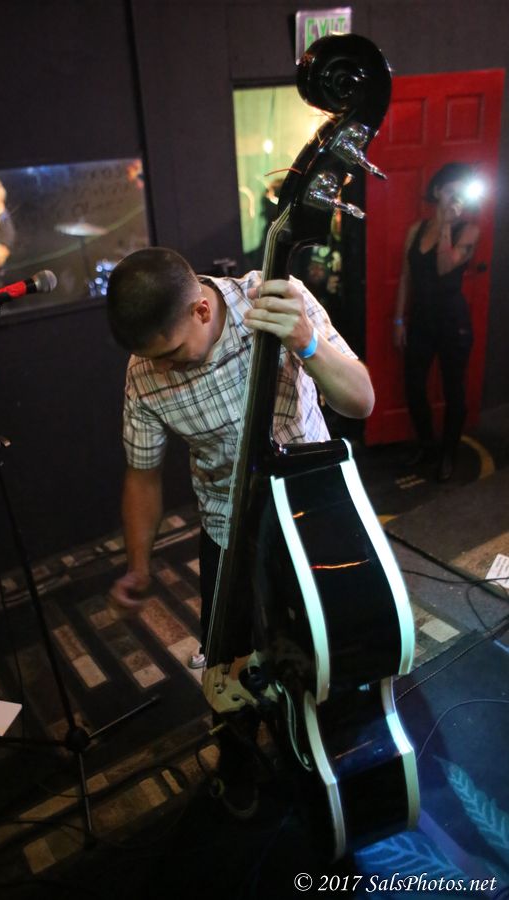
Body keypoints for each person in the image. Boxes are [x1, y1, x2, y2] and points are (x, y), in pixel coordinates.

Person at [106, 246, 374, 817]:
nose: (163, 368)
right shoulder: (143, 371)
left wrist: (307, 343)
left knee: (333, 650)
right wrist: (139, 565)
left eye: (172, 353)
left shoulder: (275, 297)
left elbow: (361, 400)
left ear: (202, 310)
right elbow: (142, 476)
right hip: (227, 529)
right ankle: (238, 764)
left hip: (312, 518)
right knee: (227, 668)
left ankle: (340, 753)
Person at [393, 162, 481, 482]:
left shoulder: (469, 231)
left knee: (453, 388)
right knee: (414, 385)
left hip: (453, 322)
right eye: (451, 190)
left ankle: (448, 454)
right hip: (421, 319)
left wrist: (445, 225)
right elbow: (406, 277)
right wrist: (398, 320)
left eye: (461, 192)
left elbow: (445, 267)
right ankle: (427, 445)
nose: (456, 197)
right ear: (437, 191)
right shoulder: (416, 230)